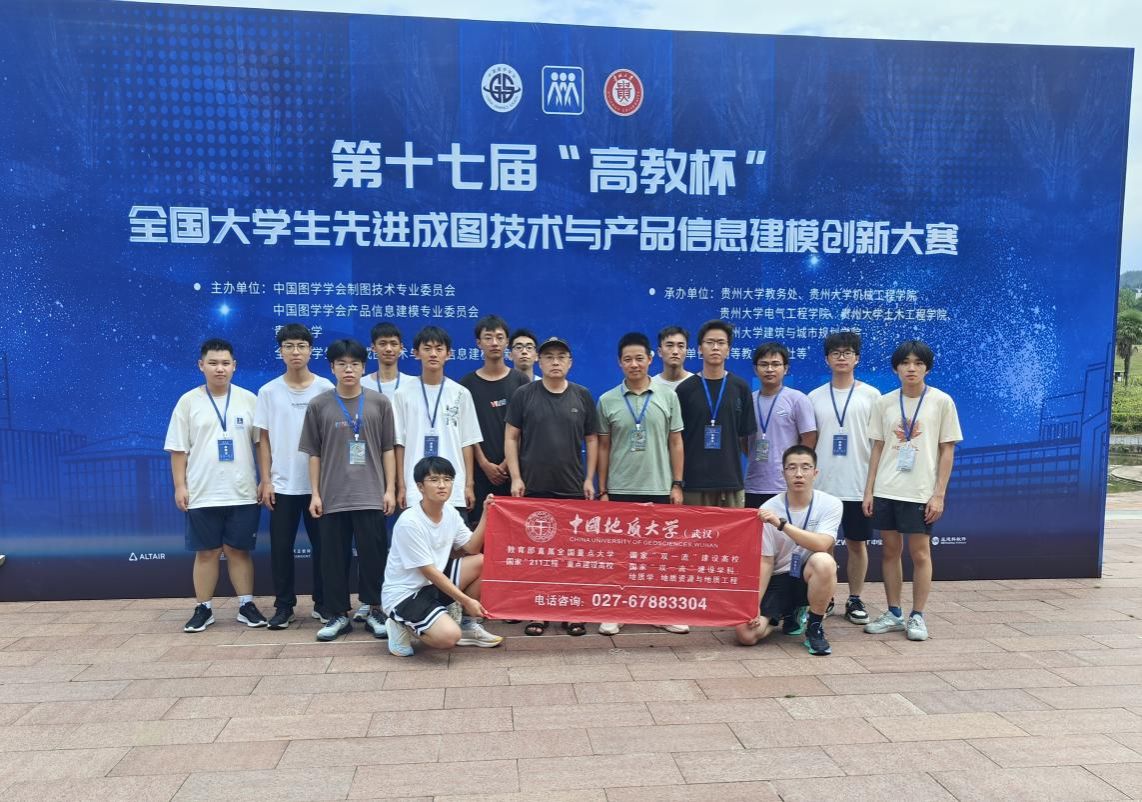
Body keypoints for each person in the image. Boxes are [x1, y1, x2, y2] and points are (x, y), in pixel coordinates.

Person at [862, 339, 962, 642]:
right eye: (905, 363)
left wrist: (939, 494)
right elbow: (877, 448)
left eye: (918, 363)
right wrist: (869, 490)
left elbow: (947, 451)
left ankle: (917, 615)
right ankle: (894, 612)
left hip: (920, 492)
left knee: (920, 553)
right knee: (890, 551)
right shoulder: (884, 402)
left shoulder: (942, 401)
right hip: (886, 489)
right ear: (896, 368)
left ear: (927, 368)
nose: (911, 368)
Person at [165, 338, 267, 633]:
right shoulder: (188, 402)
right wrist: (180, 486)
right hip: (202, 491)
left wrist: (265, 479)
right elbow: (178, 449)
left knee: (238, 551)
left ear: (234, 366)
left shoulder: (249, 399)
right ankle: (203, 608)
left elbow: (261, 444)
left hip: (242, 491)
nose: (219, 368)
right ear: (201, 365)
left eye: (225, 363)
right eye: (213, 363)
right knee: (206, 552)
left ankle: (246, 605)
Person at [299, 338, 397, 642]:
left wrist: (390, 489)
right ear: (332, 368)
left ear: (363, 367)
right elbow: (313, 453)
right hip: (332, 496)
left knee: (373, 557)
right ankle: (338, 614)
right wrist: (315, 494)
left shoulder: (379, 402)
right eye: (341, 364)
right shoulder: (319, 405)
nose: (348, 369)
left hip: (370, 494)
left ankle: (374, 610)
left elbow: (388, 449)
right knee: (332, 559)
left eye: (354, 363)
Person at [505, 336, 598, 636]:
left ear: (570, 362)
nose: (555, 362)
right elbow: (511, 437)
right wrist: (516, 477)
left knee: (571, 556)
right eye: (548, 357)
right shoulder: (524, 394)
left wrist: (589, 478)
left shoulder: (582, 395)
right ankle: (539, 611)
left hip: (571, 487)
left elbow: (592, 439)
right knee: (539, 555)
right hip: (534, 486)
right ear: (539, 361)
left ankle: (571, 612)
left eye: (561, 357)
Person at [596, 332, 687, 636]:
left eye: (639, 358)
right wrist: (603, 489)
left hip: (659, 487)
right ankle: (616, 611)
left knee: (658, 555)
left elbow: (676, 442)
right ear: (619, 363)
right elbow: (604, 447)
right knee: (619, 554)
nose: (634, 364)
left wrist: (676, 483)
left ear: (650, 359)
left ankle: (659, 612)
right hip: (620, 487)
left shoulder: (668, 396)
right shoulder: (607, 400)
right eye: (627, 359)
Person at [253, 323, 335, 630]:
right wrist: (266, 480)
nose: (295, 352)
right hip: (282, 485)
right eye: (289, 346)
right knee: (280, 549)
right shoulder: (269, 391)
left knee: (324, 549)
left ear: (311, 350)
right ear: (281, 351)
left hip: (319, 486)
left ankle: (323, 603)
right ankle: (284, 606)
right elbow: (263, 440)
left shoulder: (325, 388)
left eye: (301, 345)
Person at [382, 456, 504, 655]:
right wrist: (466, 601)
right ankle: (399, 624)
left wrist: (486, 513)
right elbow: (429, 571)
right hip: (406, 594)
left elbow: (472, 547)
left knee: (482, 562)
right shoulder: (410, 522)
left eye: (447, 479)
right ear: (420, 487)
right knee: (449, 637)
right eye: (434, 480)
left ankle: (467, 625)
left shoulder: (450, 512)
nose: (442, 485)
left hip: (432, 585)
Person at [735, 445, 841, 656]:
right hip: (779, 578)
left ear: (815, 472)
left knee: (824, 562)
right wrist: (754, 605)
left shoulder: (831, 504)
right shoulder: (768, 508)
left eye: (805, 467)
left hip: (807, 576)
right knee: (746, 635)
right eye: (792, 468)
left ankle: (814, 628)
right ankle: (784, 615)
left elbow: (823, 544)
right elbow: (766, 561)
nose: (799, 474)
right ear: (783, 473)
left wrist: (782, 524)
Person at [807, 331, 881, 626]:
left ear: (857, 358)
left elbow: (878, 445)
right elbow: (809, 442)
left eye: (847, 352)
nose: (841, 357)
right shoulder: (814, 397)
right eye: (835, 353)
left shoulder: (871, 396)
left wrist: (871, 488)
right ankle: (826, 597)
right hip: (822, 486)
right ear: (827, 359)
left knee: (856, 544)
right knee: (823, 546)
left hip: (857, 485)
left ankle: (855, 598)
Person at [393, 326, 482, 520]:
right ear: (416, 353)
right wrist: (401, 485)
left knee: (455, 539)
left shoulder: (460, 393)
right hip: (415, 487)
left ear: (448, 354)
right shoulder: (402, 394)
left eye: (439, 349)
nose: (433, 354)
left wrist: (468, 484)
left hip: (453, 487)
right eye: (427, 348)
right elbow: (400, 443)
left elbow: (467, 442)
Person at [675, 320, 756, 507]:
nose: (715, 347)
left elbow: (745, 437)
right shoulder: (685, 390)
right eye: (709, 342)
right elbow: (676, 439)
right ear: (699, 349)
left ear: (728, 350)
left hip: (730, 482)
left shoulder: (740, 388)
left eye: (721, 343)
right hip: (693, 483)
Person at [459, 315, 530, 526]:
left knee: (514, 530)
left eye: (500, 337)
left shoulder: (520, 381)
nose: (494, 343)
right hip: (480, 473)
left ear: (507, 342)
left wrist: (507, 463)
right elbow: (466, 431)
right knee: (480, 530)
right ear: (478, 343)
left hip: (515, 472)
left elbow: (525, 427)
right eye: (488, 337)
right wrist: (483, 463)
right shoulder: (466, 384)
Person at [743, 342, 817, 509]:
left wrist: (795, 466)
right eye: (764, 364)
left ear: (785, 368)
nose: (769, 369)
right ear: (755, 369)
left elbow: (809, 437)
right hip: (754, 484)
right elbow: (743, 440)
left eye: (775, 364)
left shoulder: (797, 399)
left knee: (787, 526)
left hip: (786, 485)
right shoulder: (749, 400)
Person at [369, 321, 415, 400]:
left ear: (401, 348)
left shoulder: (413, 383)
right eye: (383, 344)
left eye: (394, 344)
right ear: (373, 348)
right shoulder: (361, 384)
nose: (388, 349)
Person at [651, 325, 693, 390]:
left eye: (681, 346)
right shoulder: (651, 386)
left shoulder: (697, 384)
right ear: (659, 352)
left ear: (687, 352)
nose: (675, 352)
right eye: (669, 345)